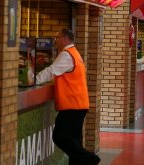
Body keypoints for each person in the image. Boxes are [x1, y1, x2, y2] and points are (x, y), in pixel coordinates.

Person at [29, 29, 100, 165]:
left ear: (65, 39)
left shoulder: (67, 54)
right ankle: (82, 161)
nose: (56, 41)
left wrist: (34, 80)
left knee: (59, 136)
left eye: (58, 37)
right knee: (74, 140)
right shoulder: (75, 53)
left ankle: (90, 158)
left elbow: (52, 71)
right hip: (79, 104)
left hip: (72, 105)